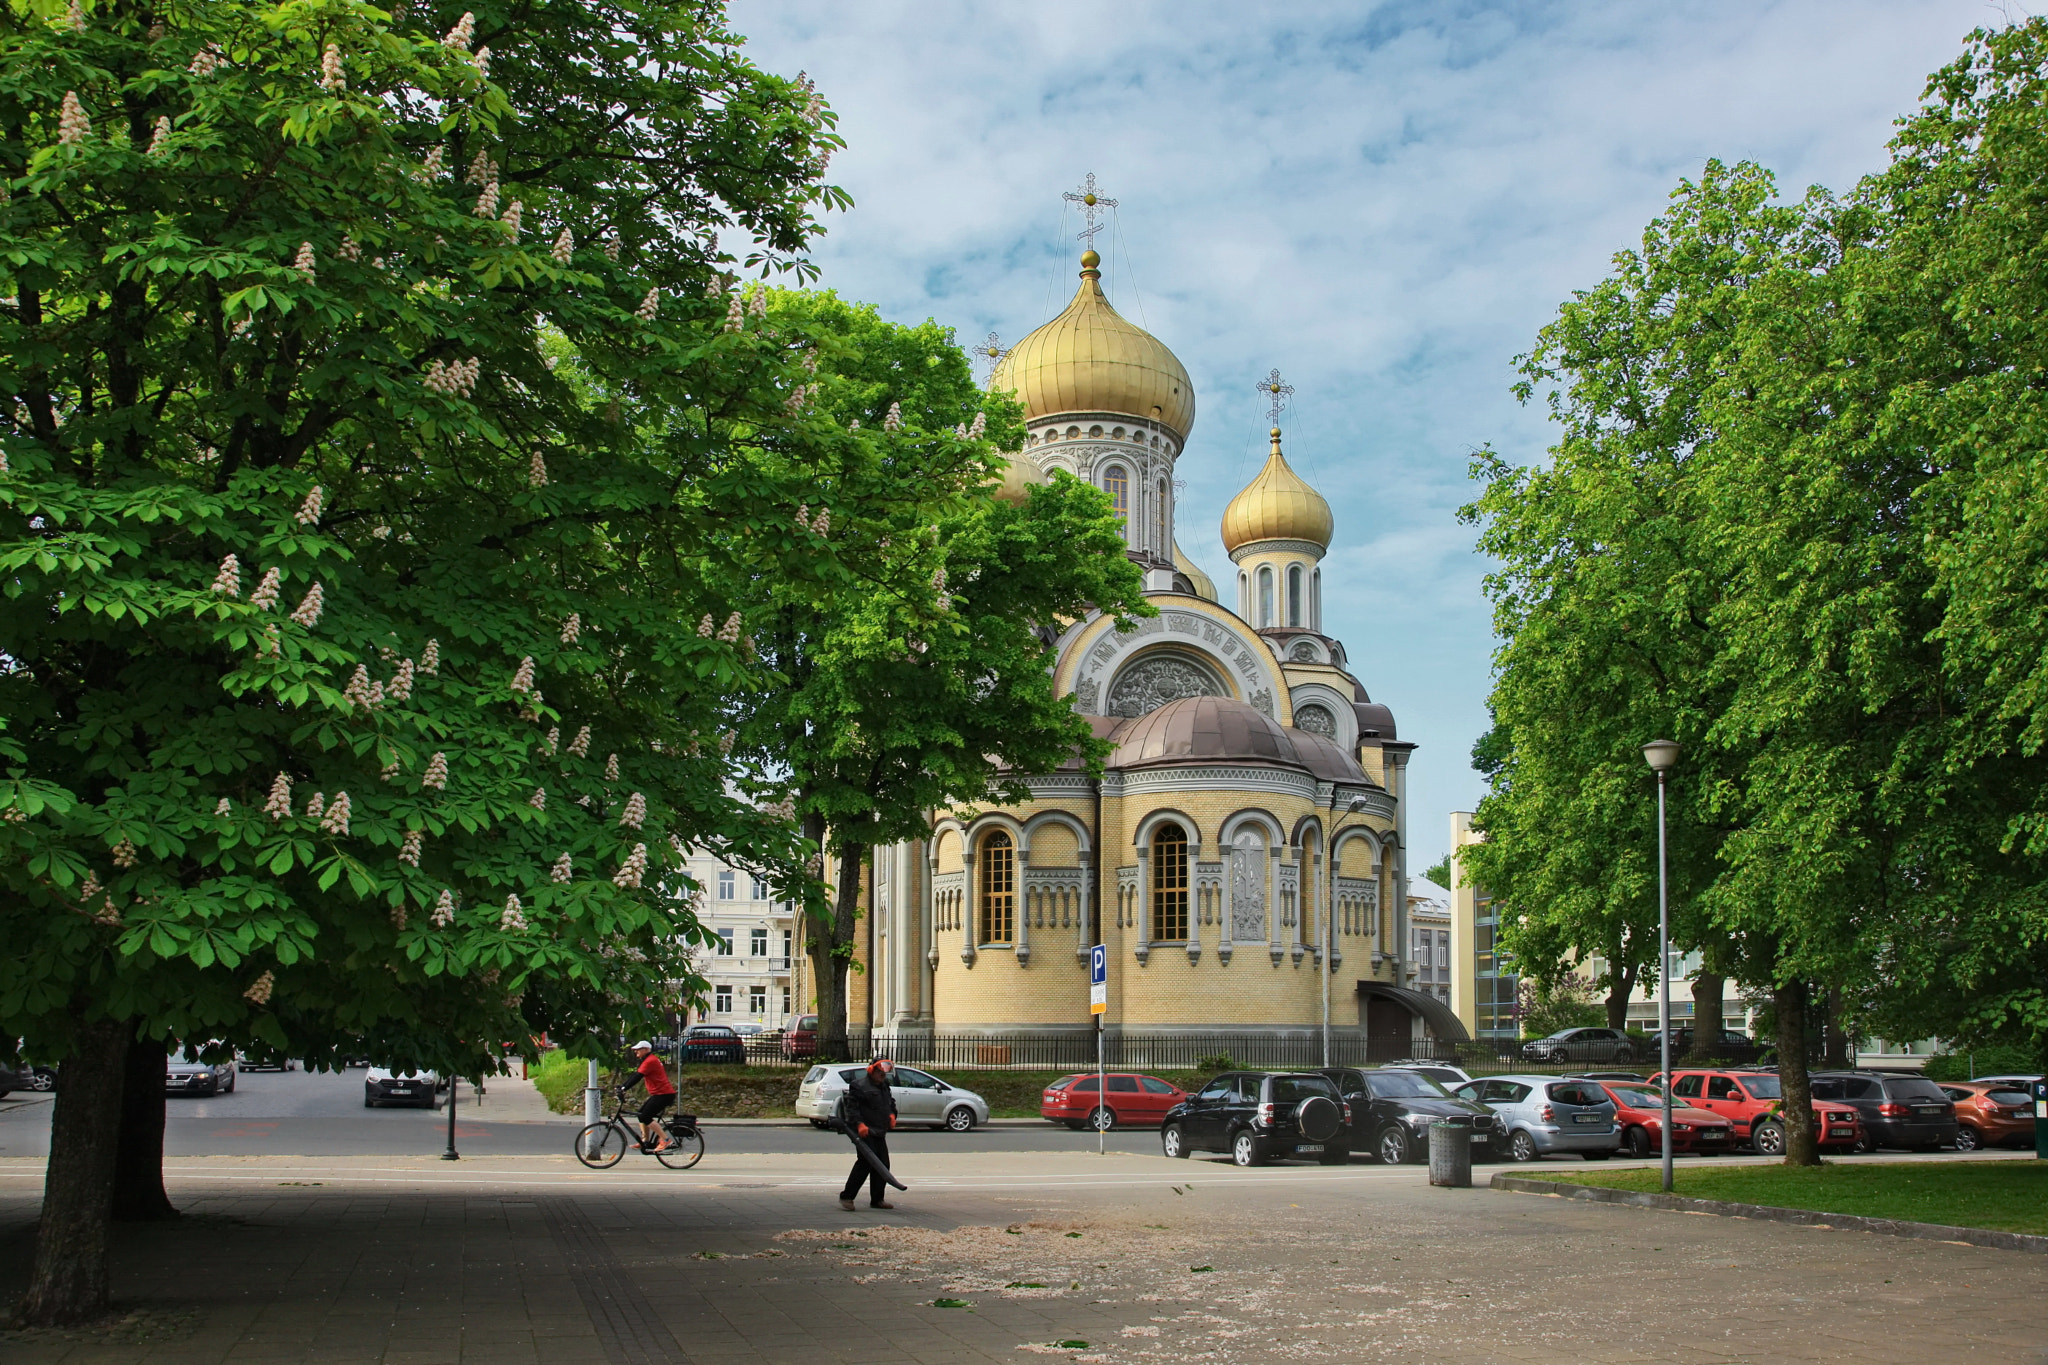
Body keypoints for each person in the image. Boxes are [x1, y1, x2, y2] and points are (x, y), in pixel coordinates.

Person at [837, 1057, 899, 1211]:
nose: (883, 1076)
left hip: (879, 1131)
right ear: (872, 1071)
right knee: (865, 1163)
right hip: (865, 1132)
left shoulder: (884, 1085)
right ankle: (847, 1197)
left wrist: (892, 1115)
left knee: (883, 1164)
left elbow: (890, 1103)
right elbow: (852, 1108)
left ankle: (877, 1199)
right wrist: (859, 1124)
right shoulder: (859, 1086)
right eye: (880, 1072)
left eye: (885, 1073)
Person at [626, 1040, 675, 1152]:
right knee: (641, 1114)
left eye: (639, 1049)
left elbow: (637, 1077)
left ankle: (665, 1139)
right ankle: (645, 1141)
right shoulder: (648, 1060)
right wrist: (622, 1086)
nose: (636, 1051)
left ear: (646, 1050)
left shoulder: (650, 1061)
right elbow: (634, 1075)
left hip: (664, 1094)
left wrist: (624, 1088)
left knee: (645, 1117)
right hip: (660, 1094)